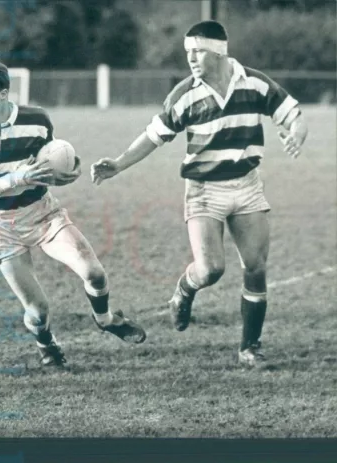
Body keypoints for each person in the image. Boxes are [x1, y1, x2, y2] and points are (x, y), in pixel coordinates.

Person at [90, 21, 308, 368]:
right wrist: (118, 164)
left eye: (198, 51)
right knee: (211, 270)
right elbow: (152, 136)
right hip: (204, 191)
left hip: (247, 185)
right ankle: (185, 290)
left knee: (255, 267)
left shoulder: (255, 82)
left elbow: (294, 114)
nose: (190, 58)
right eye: (187, 51)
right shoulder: (184, 94)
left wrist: (296, 134)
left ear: (218, 51)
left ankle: (249, 348)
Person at [0, 60, 147, 367]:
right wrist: (17, 179)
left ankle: (106, 319)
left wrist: (70, 168)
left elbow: (53, 156)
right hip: (0, 224)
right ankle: (46, 344)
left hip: (42, 212)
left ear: (4, 93)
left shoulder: (37, 120)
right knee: (38, 310)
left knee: (94, 272)